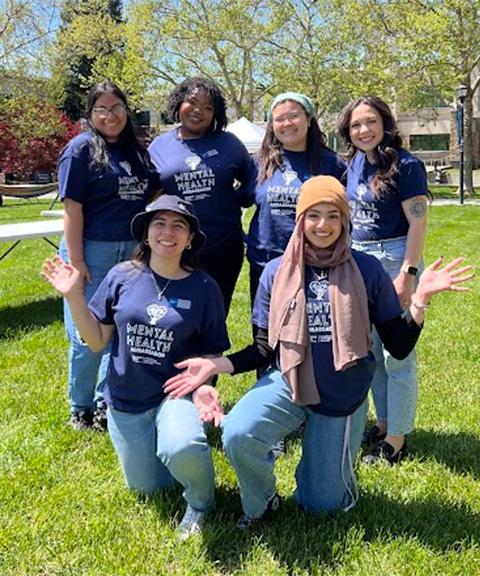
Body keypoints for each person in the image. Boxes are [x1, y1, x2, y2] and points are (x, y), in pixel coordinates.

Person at [163, 176, 473, 527]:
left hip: (342, 390)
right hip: (290, 379)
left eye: (333, 216)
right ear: (300, 220)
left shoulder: (367, 269)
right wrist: (216, 365)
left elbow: (398, 346)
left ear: (345, 221)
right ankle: (264, 502)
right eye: (313, 215)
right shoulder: (276, 272)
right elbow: (265, 349)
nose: (322, 225)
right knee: (237, 432)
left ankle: (325, 466)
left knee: (322, 505)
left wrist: (420, 300)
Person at [42, 195, 229, 539]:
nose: (167, 232)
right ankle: (168, 455)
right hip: (127, 401)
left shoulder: (204, 288)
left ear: (189, 239)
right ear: (146, 233)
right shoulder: (121, 277)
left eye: (178, 226)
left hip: (175, 394)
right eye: (159, 223)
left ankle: (202, 501)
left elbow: (212, 354)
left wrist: (204, 386)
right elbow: (97, 341)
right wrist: (73, 296)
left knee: (182, 448)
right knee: (148, 489)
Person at [58, 80, 159, 431]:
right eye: (101, 109)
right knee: (87, 334)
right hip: (90, 249)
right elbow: (73, 209)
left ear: (126, 111)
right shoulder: (80, 150)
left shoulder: (136, 151)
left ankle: (105, 401)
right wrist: (77, 261)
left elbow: (153, 189)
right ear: (90, 114)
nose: (110, 115)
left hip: (130, 252)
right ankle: (80, 404)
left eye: (116, 108)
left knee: (117, 328)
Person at [336, 95, 429, 464]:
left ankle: (397, 437)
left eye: (370, 122)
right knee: (370, 349)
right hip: (360, 260)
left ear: (385, 123)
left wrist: (407, 274)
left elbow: (418, 222)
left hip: (395, 258)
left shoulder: (406, 166)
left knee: (398, 353)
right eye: (356, 125)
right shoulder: (353, 164)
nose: (364, 130)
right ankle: (384, 421)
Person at [148, 77, 256, 316]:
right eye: (192, 102)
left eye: (209, 108)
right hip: (176, 246)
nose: (199, 111)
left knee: (216, 312)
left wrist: (238, 199)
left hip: (223, 245)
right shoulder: (158, 146)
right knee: (175, 312)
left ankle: (210, 354)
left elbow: (251, 178)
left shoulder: (229, 143)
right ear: (178, 103)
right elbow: (149, 191)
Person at [247, 92, 346, 305]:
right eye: (279, 119)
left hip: (314, 262)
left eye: (294, 116)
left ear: (309, 120)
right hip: (264, 262)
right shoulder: (258, 162)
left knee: (309, 331)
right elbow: (239, 200)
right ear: (272, 125)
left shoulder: (331, 164)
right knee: (265, 331)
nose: (287, 123)